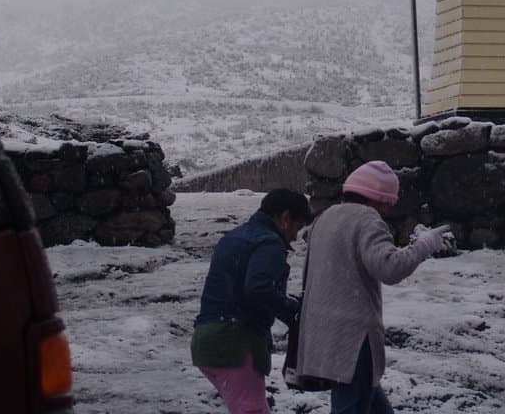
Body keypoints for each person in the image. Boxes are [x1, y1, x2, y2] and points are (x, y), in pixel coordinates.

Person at [294, 160, 449, 414]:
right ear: (376, 197)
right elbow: (389, 268)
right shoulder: (367, 219)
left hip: (322, 334)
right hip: (353, 340)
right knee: (351, 405)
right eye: (388, 202)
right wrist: (423, 246)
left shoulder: (325, 218)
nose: (387, 210)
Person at [192, 188, 312, 414]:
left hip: (205, 340)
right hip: (236, 343)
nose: (295, 237)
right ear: (285, 218)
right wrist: (293, 312)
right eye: (297, 227)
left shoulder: (234, 236)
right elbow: (258, 288)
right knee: (251, 410)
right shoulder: (270, 242)